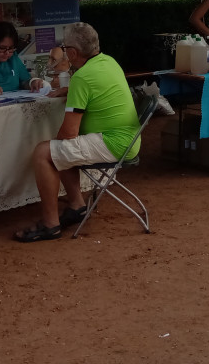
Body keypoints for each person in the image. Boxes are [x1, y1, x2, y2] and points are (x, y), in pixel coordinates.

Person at [14, 22, 142, 242]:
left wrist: (55, 143)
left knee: (44, 152)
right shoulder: (108, 62)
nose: (63, 53)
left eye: (64, 49)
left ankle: (50, 224)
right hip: (129, 140)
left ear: (72, 53)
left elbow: (69, 133)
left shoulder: (82, 77)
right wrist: (69, 89)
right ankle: (75, 205)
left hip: (113, 143)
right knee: (59, 149)